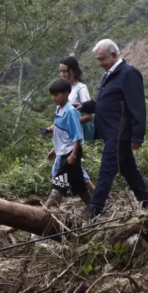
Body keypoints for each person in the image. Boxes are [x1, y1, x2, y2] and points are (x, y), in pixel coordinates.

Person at [78, 39, 148, 219]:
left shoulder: (128, 73)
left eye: (102, 59)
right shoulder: (108, 75)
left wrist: (137, 136)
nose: (99, 63)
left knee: (107, 169)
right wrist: (84, 105)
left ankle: (94, 207)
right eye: (98, 59)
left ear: (114, 55)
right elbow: (104, 103)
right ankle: (147, 200)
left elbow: (138, 106)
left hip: (120, 132)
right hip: (110, 131)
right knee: (128, 169)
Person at [45, 79, 91, 208]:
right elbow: (62, 135)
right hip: (64, 151)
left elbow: (76, 136)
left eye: (56, 95)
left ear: (66, 94)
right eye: (52, 95)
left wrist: (73, 155)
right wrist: (55, 150)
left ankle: (50, 212)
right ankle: (95, 208)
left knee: (59, 183)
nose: (53, 98)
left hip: (71, 152)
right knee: (79, 185)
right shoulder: (59, 109)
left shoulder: (70, 111)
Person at [56, 56, 96, 194]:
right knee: (76, 169)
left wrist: (70, 124)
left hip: (74, 135)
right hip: (65, 136)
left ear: (73, 71)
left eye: (65, 71)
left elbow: (89, 115)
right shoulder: (65, 88)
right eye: (60, 71)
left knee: (64, 165)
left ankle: (56, 195)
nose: (62, 74)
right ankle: (98, 197)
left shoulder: (80, 89)